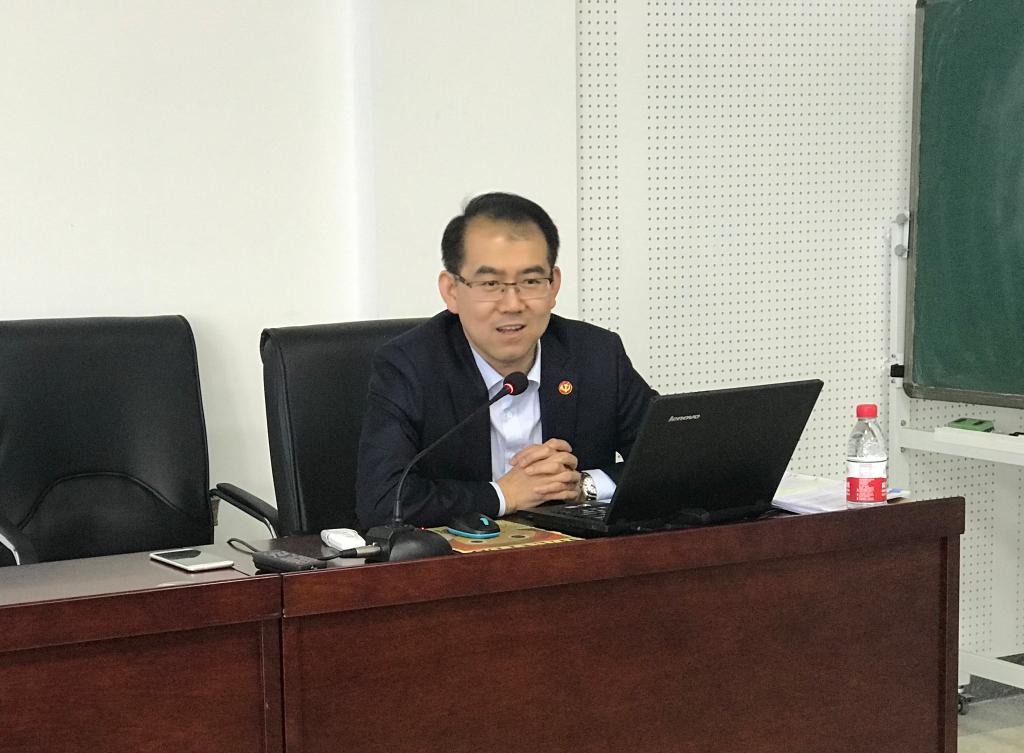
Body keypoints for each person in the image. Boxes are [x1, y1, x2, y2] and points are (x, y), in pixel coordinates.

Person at [356, 192, 655, 529]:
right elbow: (383, 501)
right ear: (451, 290)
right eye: (490, 283)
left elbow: (673, 460)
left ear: (554, 286)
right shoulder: (409, 366)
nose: (512, 304)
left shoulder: (596, 354)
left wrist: (580, 486)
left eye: (530, 281)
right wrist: (504, 494)